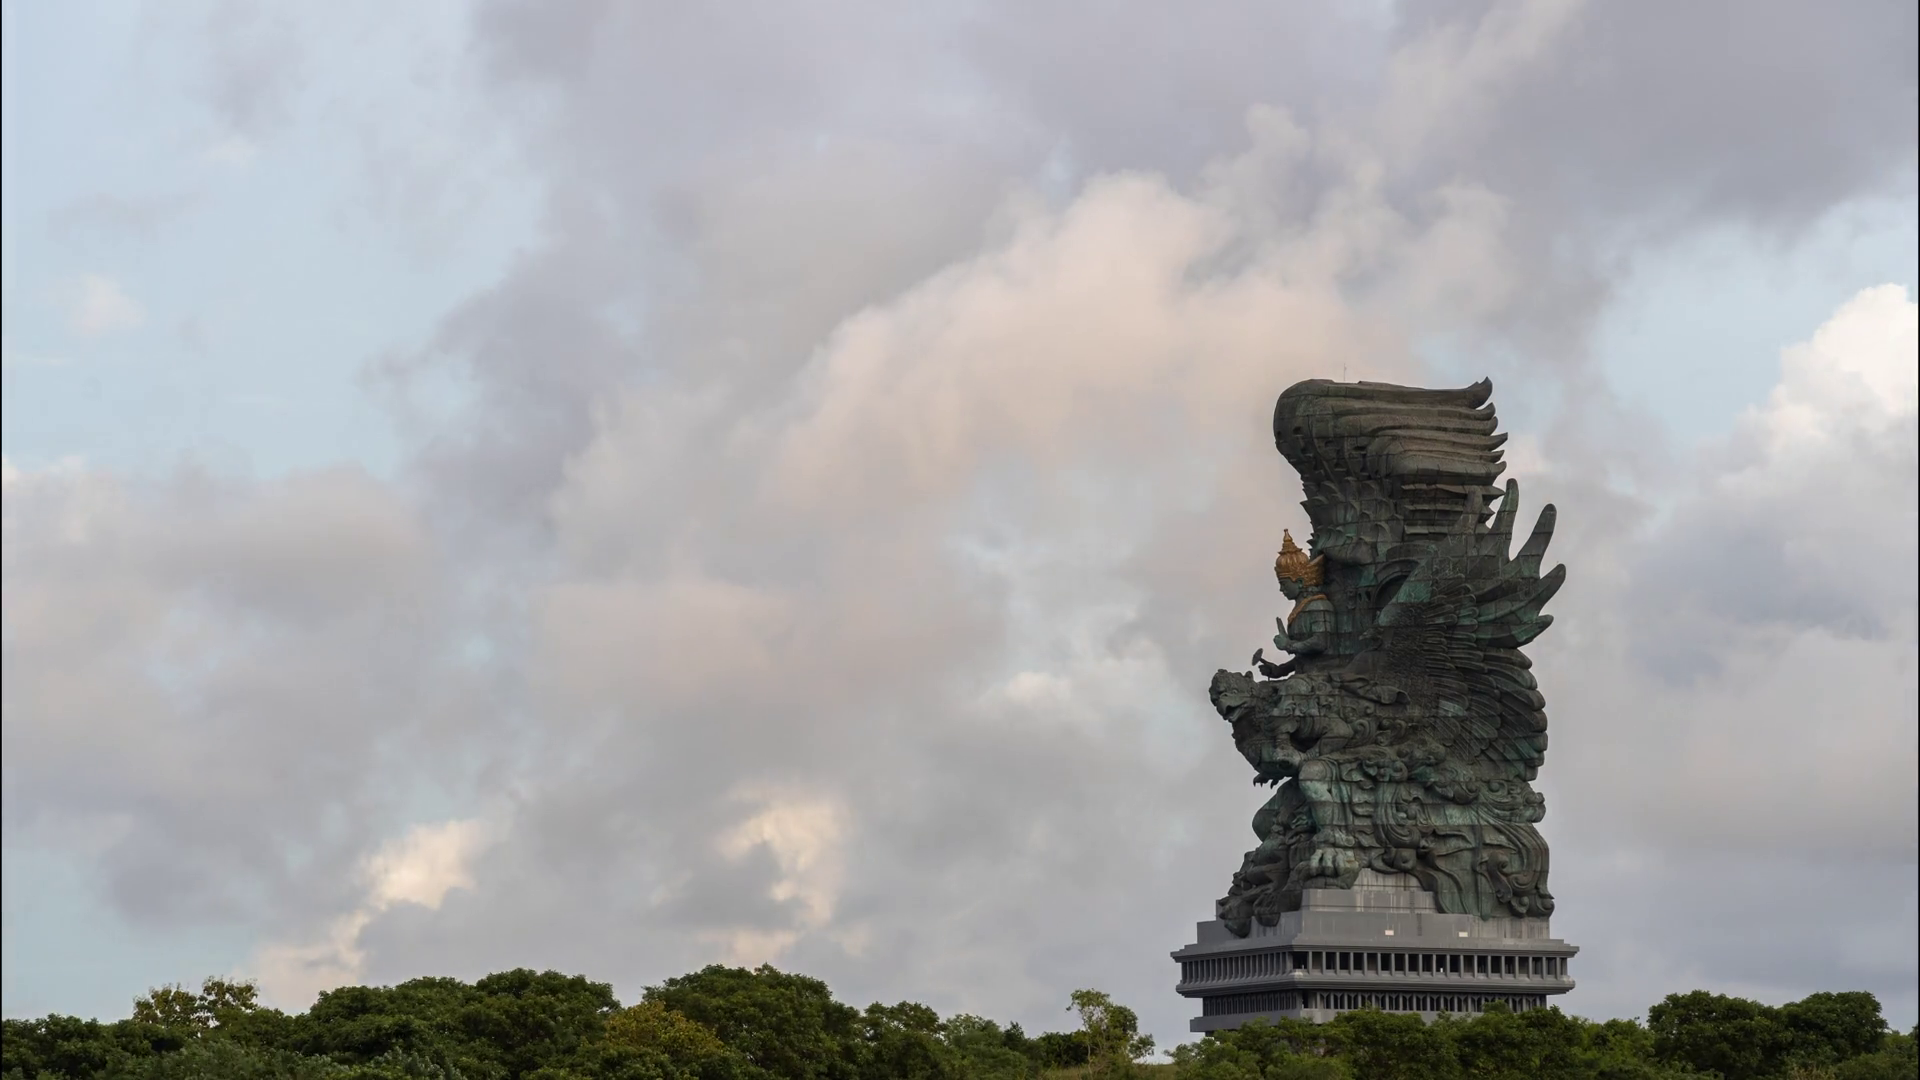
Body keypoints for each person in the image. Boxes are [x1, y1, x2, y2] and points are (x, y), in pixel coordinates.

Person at [1253, 530, 1333, 678]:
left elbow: (1321, 642)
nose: (1281, 589)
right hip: (1304, 674)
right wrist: (1281, 670)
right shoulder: (1301, 608)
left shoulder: (1319, 605)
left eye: (1284, 584)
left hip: (1325, 674)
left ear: (1300, 582)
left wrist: (1288, 645)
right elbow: (1304, 657)